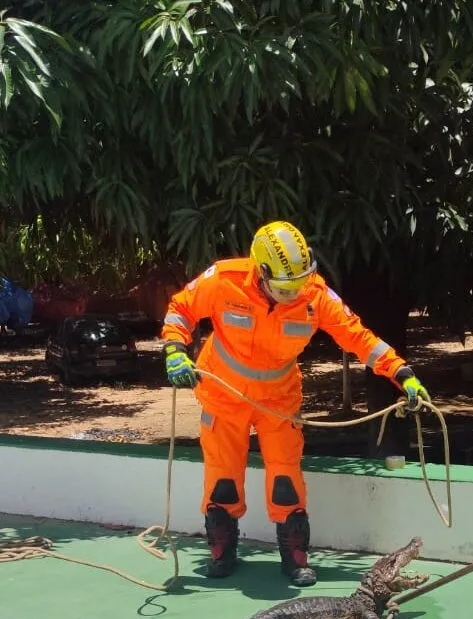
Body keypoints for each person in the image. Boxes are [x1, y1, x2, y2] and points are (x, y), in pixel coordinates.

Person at [160, 220, 428, 586]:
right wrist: (175, 350)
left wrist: (401, 372)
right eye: (286, 288)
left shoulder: (313, 294)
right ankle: (222, 555)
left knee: (286, 481)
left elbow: (358, 337)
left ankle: (295, 558)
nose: (295, 294)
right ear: (261, 271)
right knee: (222, 480)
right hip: (224, 398)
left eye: (300, 284)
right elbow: (181, 308)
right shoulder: (224, 279)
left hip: (279, 402)